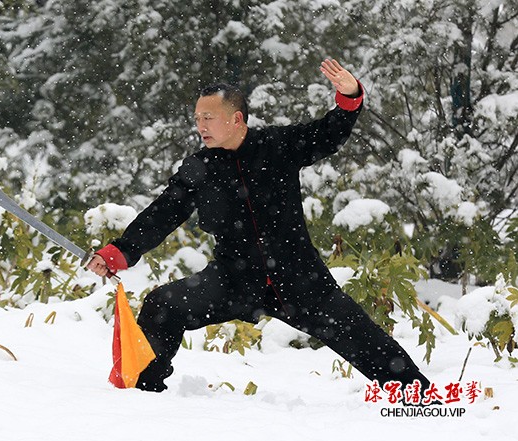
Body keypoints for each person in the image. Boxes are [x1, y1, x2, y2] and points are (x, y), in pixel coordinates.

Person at [87, 59, 432, 395]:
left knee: (361, 336)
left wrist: (350, 97)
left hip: (299, 278)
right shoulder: (200, 167)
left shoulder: (277, 146)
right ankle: (141, 392)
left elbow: (328, 133)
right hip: (234, 279)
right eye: (197, 119)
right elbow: (162, 213)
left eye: (208, 118)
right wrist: (119, 251)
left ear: (236, 119)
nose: (200, 126)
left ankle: (419, 396)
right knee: (163, 305)